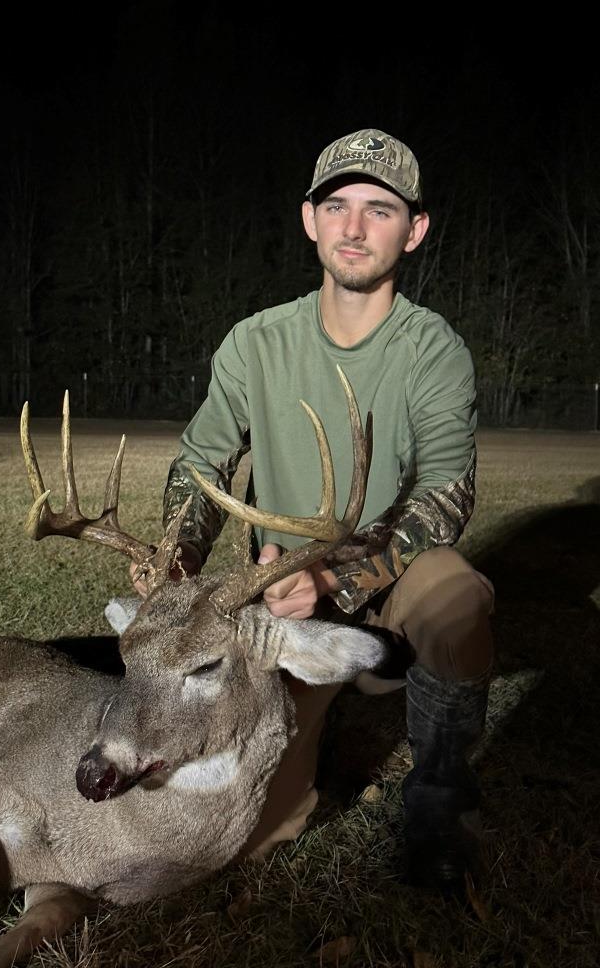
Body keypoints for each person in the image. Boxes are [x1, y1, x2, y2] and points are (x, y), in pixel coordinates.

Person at [132, 129, 494, 894]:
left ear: (415, 230)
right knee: (261, 833)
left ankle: (435, 811)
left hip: (381, 581)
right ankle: (318, 725)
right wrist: (179, 552)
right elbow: (201, 465)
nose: (354, 228)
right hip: (280, 598)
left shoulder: (434, 351)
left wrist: (336, 577)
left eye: (379, 209)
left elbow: (445, 494)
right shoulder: (256, 344)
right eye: (337, 206)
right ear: (309, 219)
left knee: (458, 597)